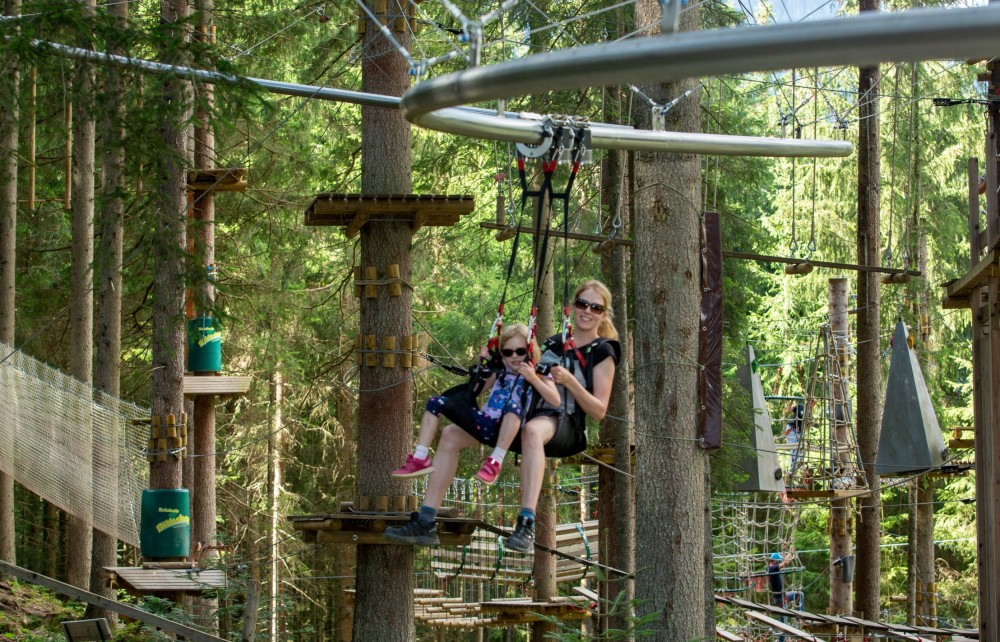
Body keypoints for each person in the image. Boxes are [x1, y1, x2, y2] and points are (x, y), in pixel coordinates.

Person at [385, 280, 621, 551]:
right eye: (582, 304)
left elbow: (599, 411)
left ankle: (526, 524)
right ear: (573, 306)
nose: (587, 311)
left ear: (604, 313)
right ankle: (426, 521)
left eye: (595, 307)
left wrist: (570, 381)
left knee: (532, 431)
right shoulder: (553, 343)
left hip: (563, 422)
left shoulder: (603, 351)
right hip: (524, 411)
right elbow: (516, 365)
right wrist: (488, 364)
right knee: (450, 435)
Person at [391, 323, 559, 485]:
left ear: (530, 351)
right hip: (485, 422)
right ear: (502, 354)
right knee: (435, 402)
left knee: (512, 407)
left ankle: (495, 462)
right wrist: (482, 368)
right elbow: (476, 390)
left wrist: (532, 379)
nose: (514, 356)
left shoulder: (539, 373)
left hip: (509, 427)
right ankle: (420, 457)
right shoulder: (499, 371)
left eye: (520, 351)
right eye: (508, 352)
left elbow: (555, 400)